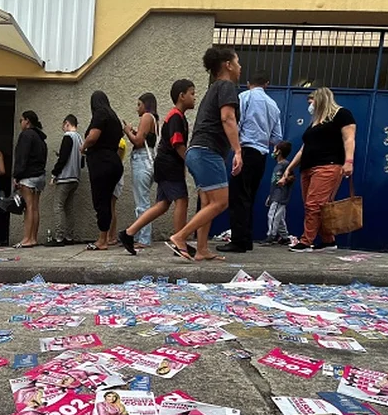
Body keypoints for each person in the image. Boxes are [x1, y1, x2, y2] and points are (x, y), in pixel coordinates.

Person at [167, 47, 243, 261]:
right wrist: (238, 150)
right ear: (228, 65)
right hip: (207, 152)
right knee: (221, 202)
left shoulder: (213, 89)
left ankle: (201, 250)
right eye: (237, 62)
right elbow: (227, 118)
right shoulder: (227, 86)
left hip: (196, 152)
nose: (240, 67)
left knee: (210, 203)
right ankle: (180, 237)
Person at [119, 80, 196, 256]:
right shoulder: (175, 116)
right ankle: (180, 242)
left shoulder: (177, 116)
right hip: (169, 165)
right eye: (192, 93)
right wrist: (191, 163)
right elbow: (177, 144)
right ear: (181, 96)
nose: (195, 97)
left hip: (164, 164)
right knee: (182, 200)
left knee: (162, 204)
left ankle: (128, 233)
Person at [279, 87, 356, 252]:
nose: (310, 106)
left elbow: (349, 138)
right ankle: (328, 241)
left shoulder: (341, 114)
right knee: (319, 206)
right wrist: (290, 168)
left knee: (313, 204)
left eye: (311, 102)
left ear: (320, 99)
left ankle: (306, 241)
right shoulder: (314, 122)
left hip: (328, 165)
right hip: (308, 168)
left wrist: (349, 161)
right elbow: (303, 148)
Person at [218, 69, 282, 253]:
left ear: (248, 83)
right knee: (250, 197)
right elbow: (277, 137)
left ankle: (238, 241)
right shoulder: (273, 105)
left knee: (238, 197)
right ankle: (246, 240)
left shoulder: (244, 97)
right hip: (261, 155)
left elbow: (236, 123)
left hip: (245, 151)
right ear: (267, 84)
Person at [81, 91, 124, 251]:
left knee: (101, 201)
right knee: (107, 201)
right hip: (114, 161)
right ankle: (107, 237)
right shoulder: (114, 117)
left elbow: (93, 137)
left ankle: (102, 240)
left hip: (101, 162)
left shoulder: (100, 113)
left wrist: (83, 146)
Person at [123, 93, 158, 249]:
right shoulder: (154, 120)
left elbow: (138, 142)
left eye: (139, 104)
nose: (137, 108)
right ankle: (139, 235)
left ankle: (143, 238)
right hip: (149, 161)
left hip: (142, 161)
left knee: (142, 202)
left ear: (145, 104)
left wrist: (128, 131)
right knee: (142, 200)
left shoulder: (146, 117)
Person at [13, 111, 48, 248]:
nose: (20, 123)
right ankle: (33, 237)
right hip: (40, 176)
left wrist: (17, 175)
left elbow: (22, 157)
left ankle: (27, 238)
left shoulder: (26, 135)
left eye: (21, 120)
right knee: (35, 207)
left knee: (28, 208)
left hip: (28, 176)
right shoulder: (40, 138)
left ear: (27, 121)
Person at [47, 115, 83, 246]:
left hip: (65, 177)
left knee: (58, 206)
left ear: (67, 123)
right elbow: (82, 160)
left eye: (63, 125)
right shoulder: (80, 138)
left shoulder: (68, 136)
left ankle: (59, 238)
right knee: (69, 208)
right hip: (75, 177)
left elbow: (63, 158)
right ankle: (69, 236)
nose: (63, 128)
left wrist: (54, 174)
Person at [262, 141, 294, 245]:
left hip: (280, 196)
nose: (273, 152)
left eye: (275, 150)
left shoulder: (286, 165)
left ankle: (271, 236)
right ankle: (285, 237)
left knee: (273, 215)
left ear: (279, 151)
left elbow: (292, 177)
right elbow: (274, 183)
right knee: (279, 218)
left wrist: (285, 179)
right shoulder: (278, 166)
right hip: (275, 195)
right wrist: (270, 196)